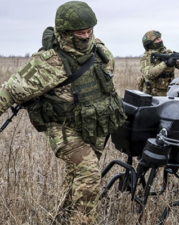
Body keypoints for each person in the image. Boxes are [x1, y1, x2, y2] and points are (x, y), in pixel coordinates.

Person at [0, 1, 126, 224]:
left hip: (92, 124)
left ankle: (63, 217)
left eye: (89, 31)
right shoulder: (48, 64)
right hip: (63, 128)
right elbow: (8, 93)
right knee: (89, 175)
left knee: (76, 177)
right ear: (66, 33)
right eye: (80, 33)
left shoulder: (101, 51)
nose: (86, 37)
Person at [138, 30, 179, 96]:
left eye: (159, 38)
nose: (160, 40)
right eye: (156, 39)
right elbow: (148, 74)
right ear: (150, 44)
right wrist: (165, 63)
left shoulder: (168, 53)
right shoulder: (146, 58)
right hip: (153, 94)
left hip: (170, 92)